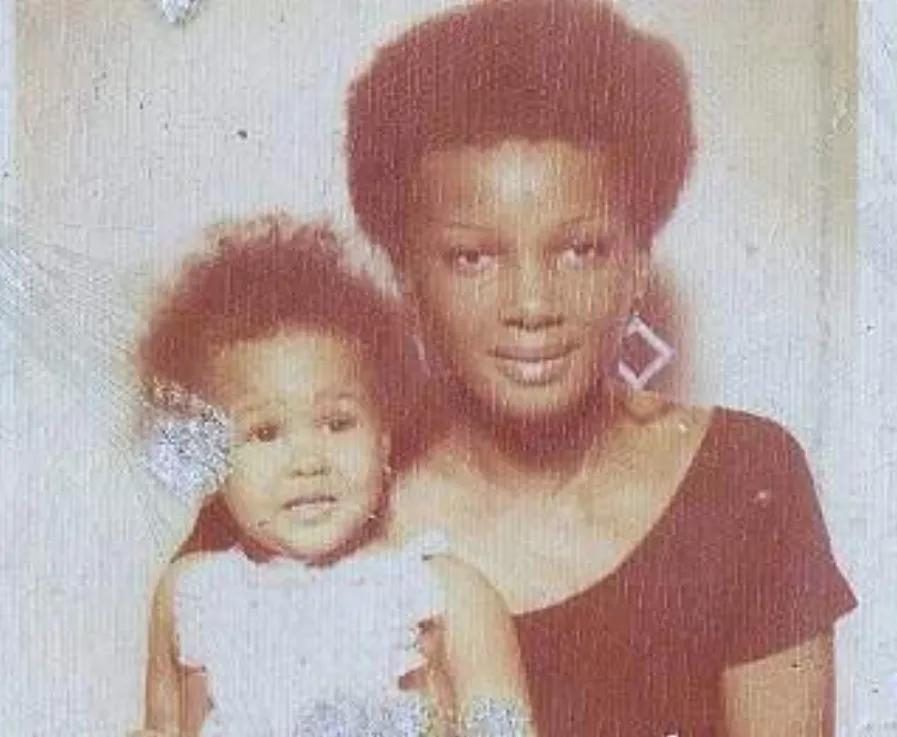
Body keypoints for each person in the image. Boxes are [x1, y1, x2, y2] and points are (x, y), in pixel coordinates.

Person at [339, 1, 858, 735]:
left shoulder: (747, 480)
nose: (531, 302)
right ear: (405, 275)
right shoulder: (310, 500)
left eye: (580, 249)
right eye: (472, 257)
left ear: (639, 260)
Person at [132, 217, 537, 736]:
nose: (307, 461)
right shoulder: (190, 592)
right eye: (265, 433)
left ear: (384, 436)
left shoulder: (441, 593)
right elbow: (165, 728)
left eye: (337, 424)